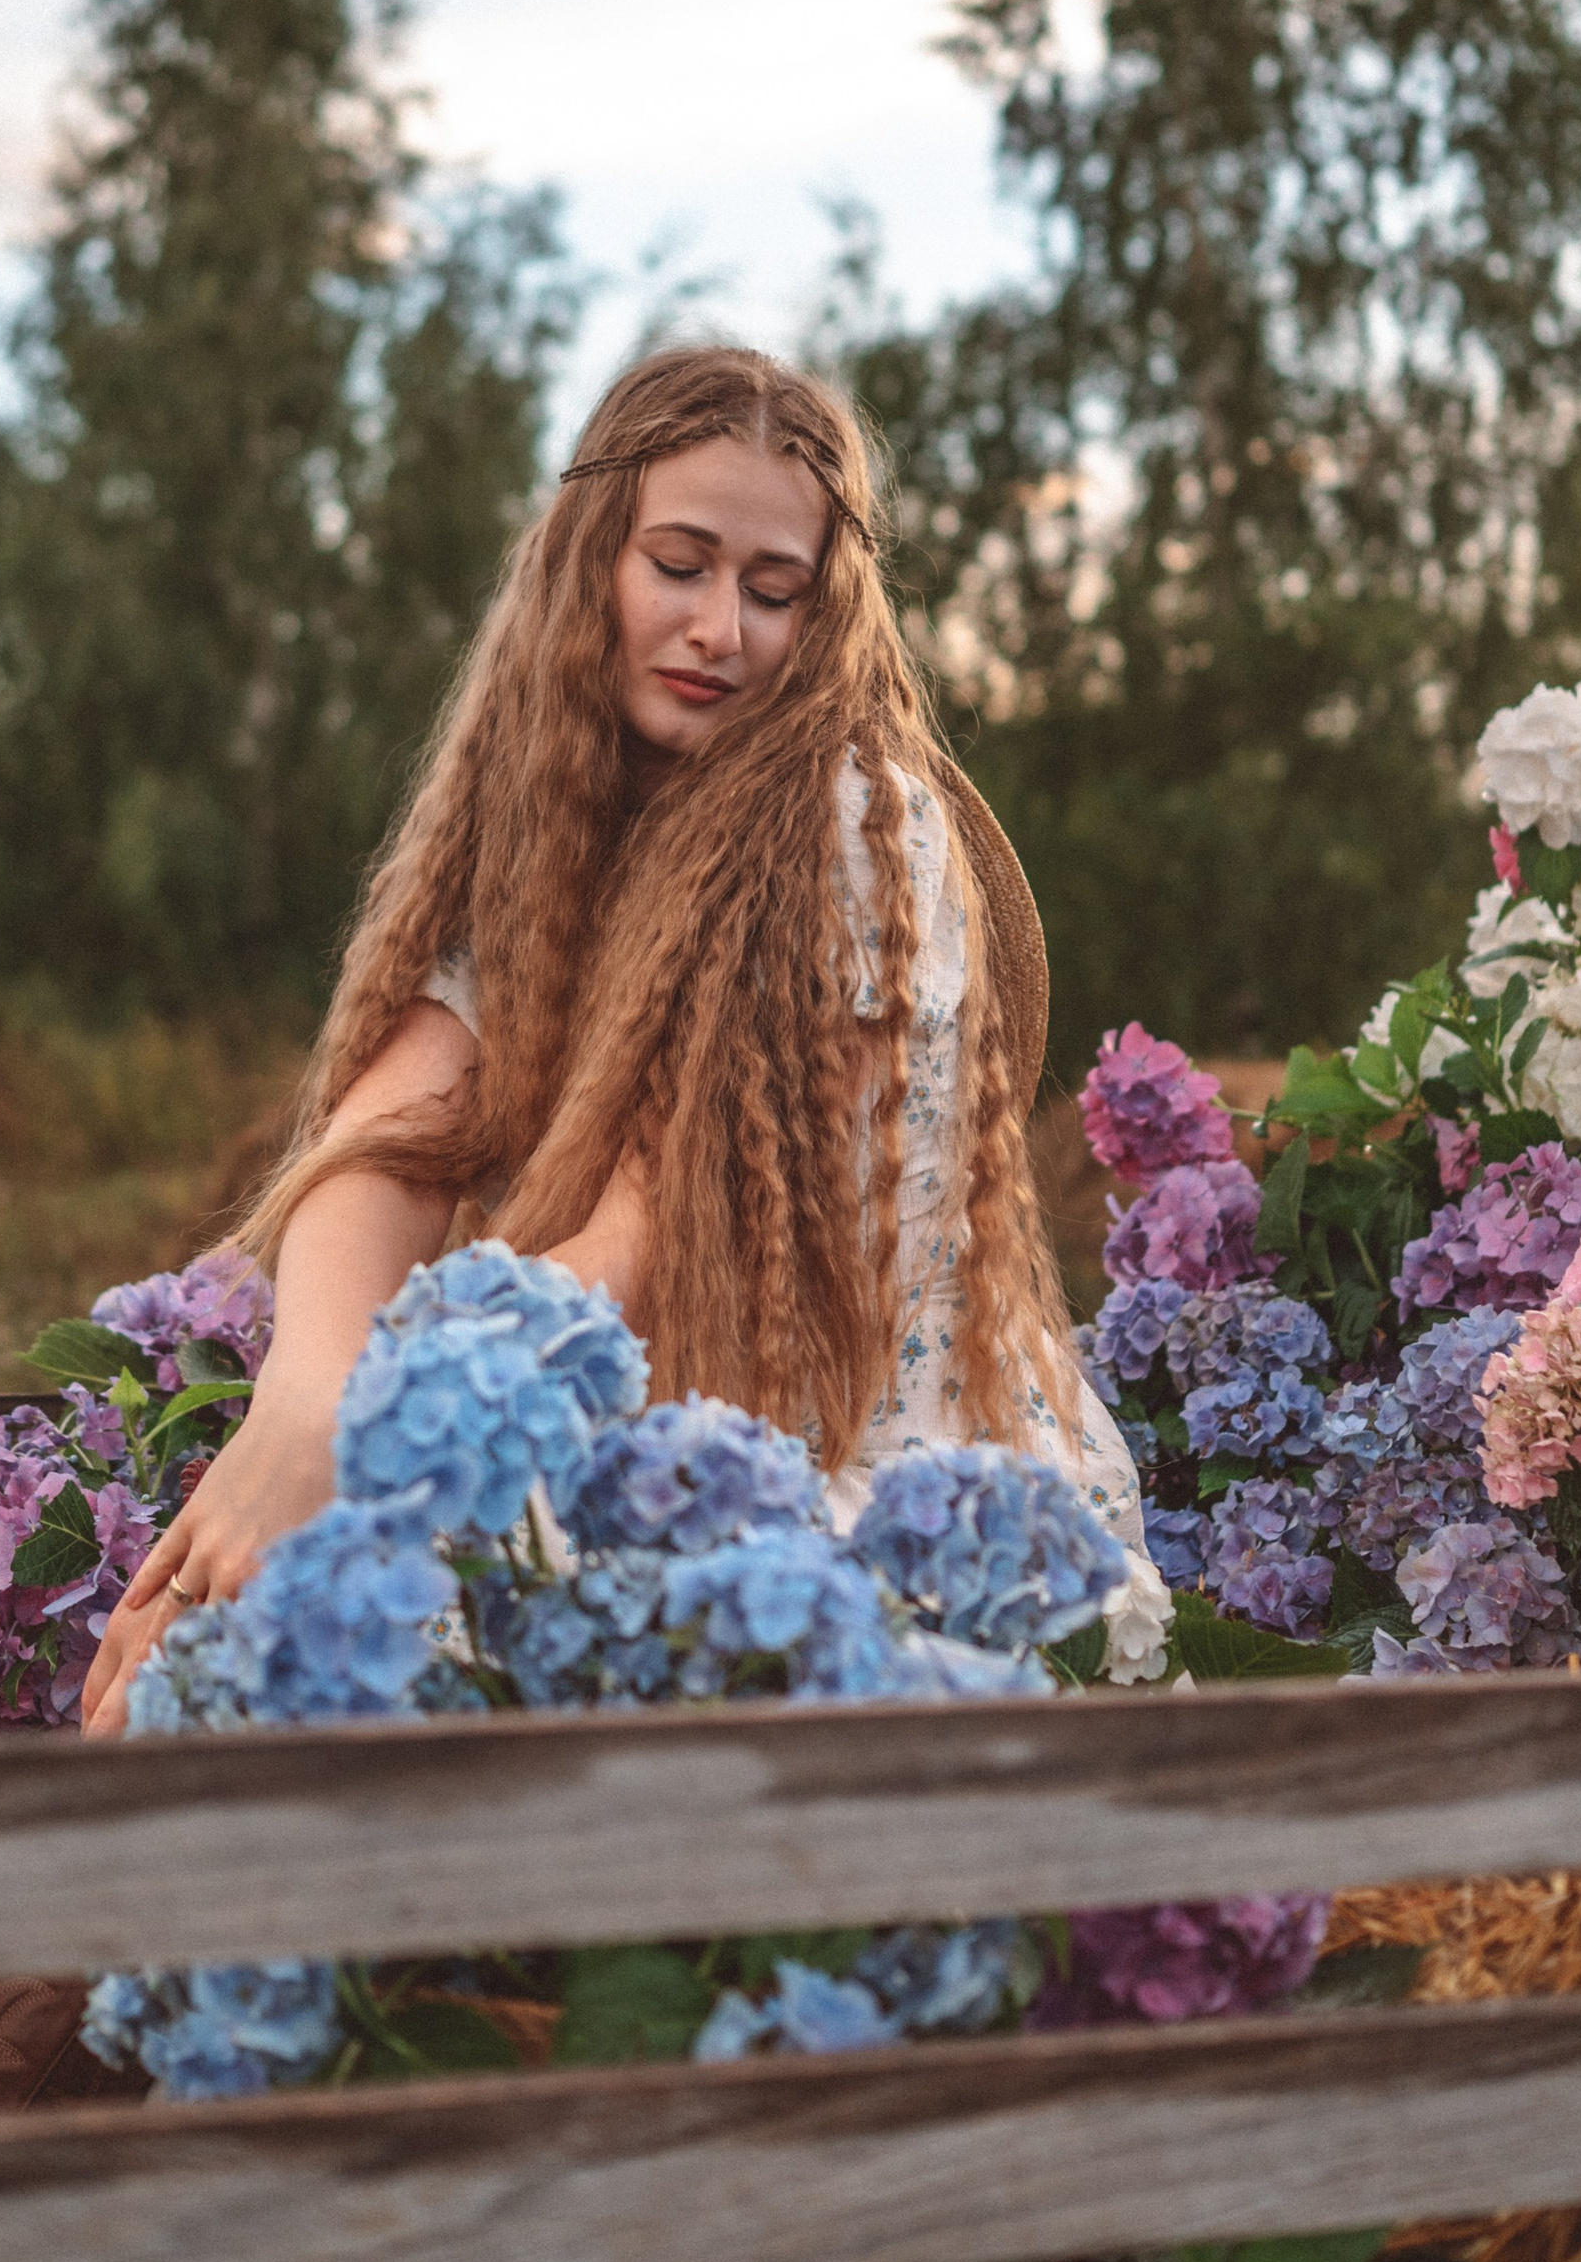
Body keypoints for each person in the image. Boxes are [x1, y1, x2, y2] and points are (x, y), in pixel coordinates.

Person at [83, 345, 1153, 1733]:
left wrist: (356, 1458)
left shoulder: (857, 828)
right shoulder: (557, 835)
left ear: (825, 610)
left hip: (879, 1519)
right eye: (681, 566)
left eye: (774, 590)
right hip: (678, 1484)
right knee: (241, 1619)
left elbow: (646, 1242)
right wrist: (303, 1399)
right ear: (592, 555)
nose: (721, 628)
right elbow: (388, 1149)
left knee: (302, 1645)